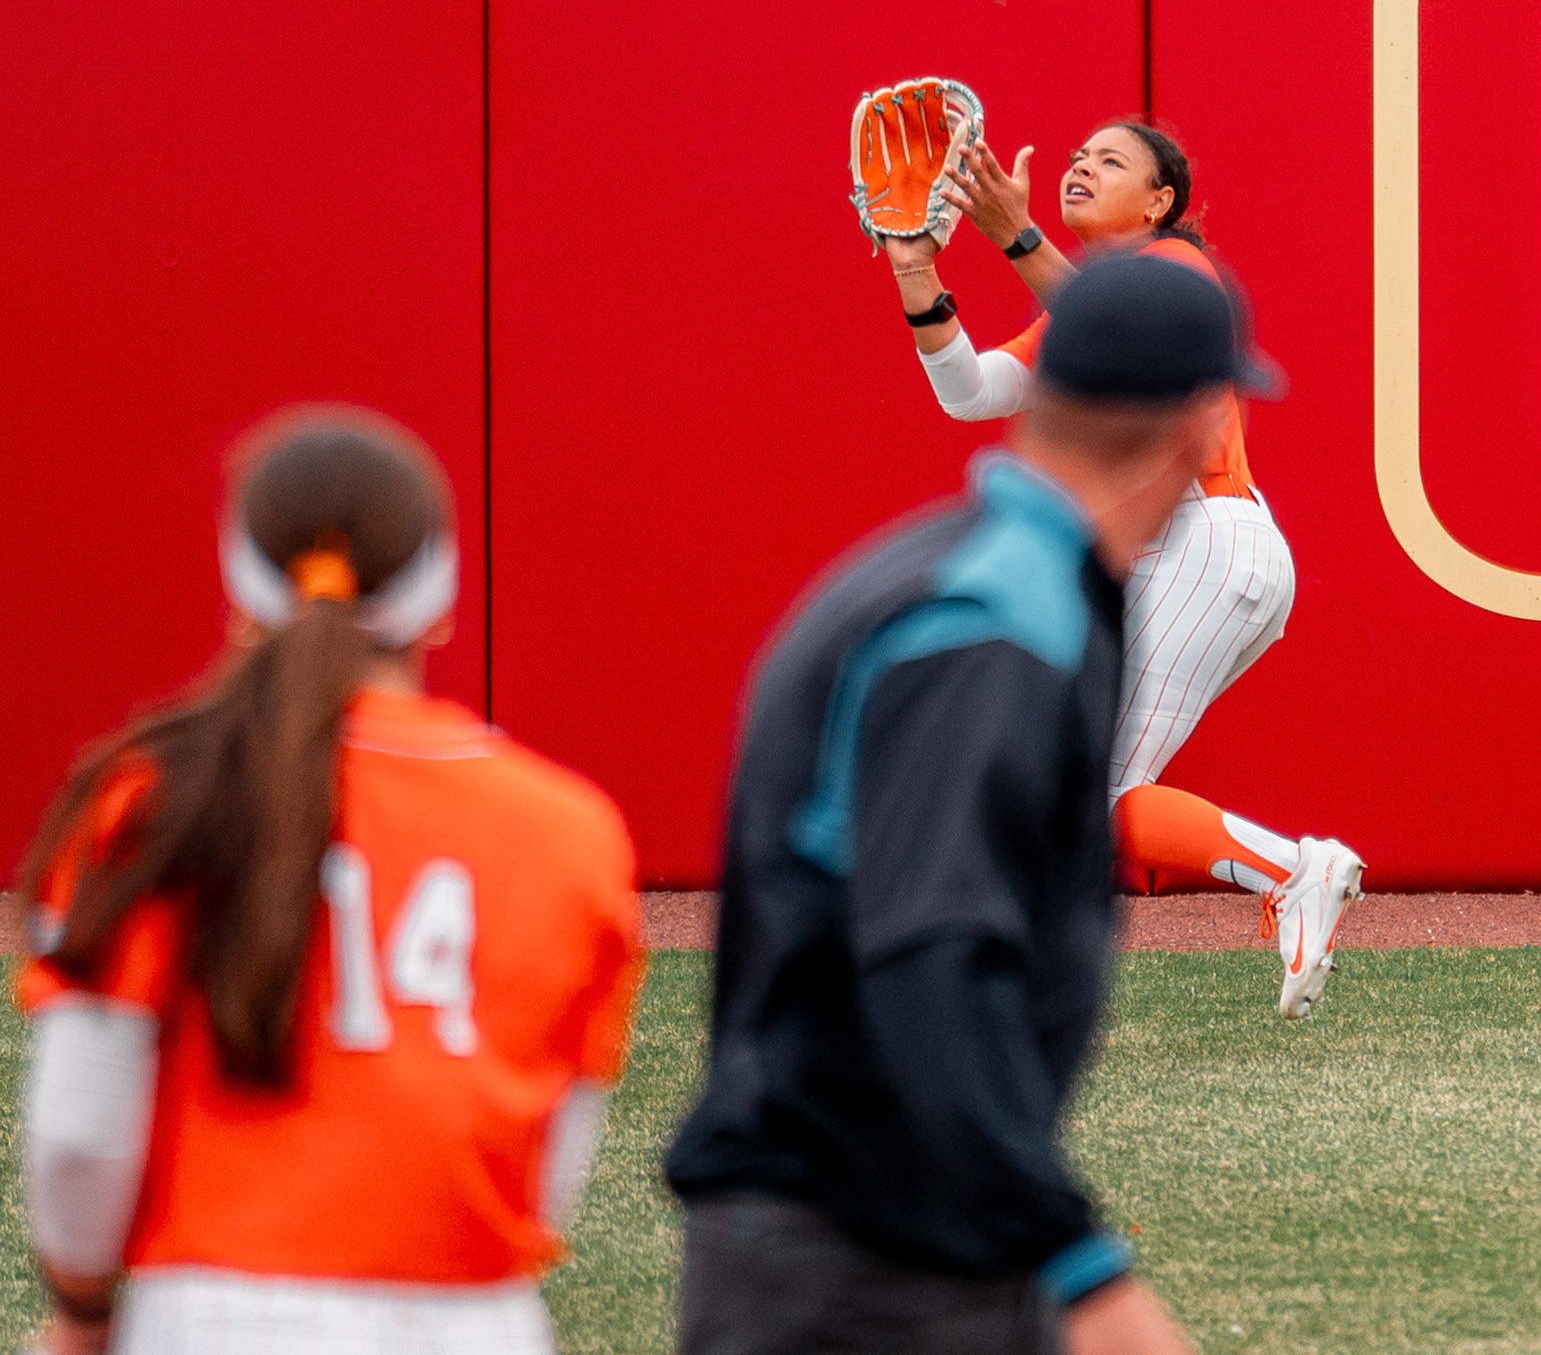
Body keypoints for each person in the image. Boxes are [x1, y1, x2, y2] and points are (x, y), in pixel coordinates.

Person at [668, 251, 1274, 1355]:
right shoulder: (1003, 616)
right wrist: (1084, 1270)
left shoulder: (967, 573)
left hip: (890, 1219)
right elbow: (930, 953)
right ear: (1199, 424)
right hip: (860, 1255)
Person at [16, 408, 643, 1355]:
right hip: (475, 1324)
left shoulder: (153, 797)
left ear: (242, 592)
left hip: (208, 1318)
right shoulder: (571, 829)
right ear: (438, 600)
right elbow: (550, 1167)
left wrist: (82, 1311)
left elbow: (83, 1129)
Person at [881, 118, 1363, 1020]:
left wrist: (1015, 240)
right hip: (1197, 552)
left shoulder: (1178, 271)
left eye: (1110, 162)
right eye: (1076, 156)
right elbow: (969, 393)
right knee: (1076, 782)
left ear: (1160, 203)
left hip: (1209, 539)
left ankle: (1297, 869)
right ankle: (1276, 876)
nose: (1079, 168)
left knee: (1092, 788)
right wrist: (917, 272)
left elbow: (1131, 333)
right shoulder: (1084, 308)